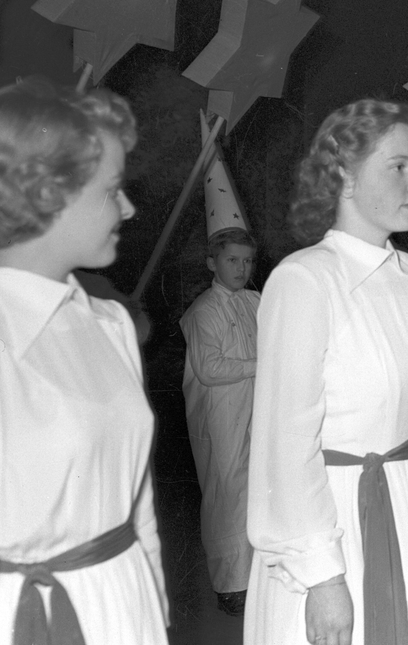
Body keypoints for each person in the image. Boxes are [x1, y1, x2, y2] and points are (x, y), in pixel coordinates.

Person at [245, 99, 408, 645]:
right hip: (335, 520)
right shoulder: (304, 280)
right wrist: (322, 577)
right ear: (344, 173)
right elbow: (284, 444)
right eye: (399, 167)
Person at [0, 77, 169, 645]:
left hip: (128, 605)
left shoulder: (112, 324)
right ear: (49, 193)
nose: (128, 208)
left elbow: (141, 512)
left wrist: (156, 610)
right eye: (112, 190)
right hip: (32, 619)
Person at [180, 225, 261, 616]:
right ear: (212, 263)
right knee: (227, 491)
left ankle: (259, 575)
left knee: (257, 486)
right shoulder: (204, 310)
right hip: (221, 412)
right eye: (232, 260)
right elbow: (209, 368)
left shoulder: (256, 301)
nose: (241, 269)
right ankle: (231, 585)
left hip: (256, 405)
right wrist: (262, 364)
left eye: (247, 261)